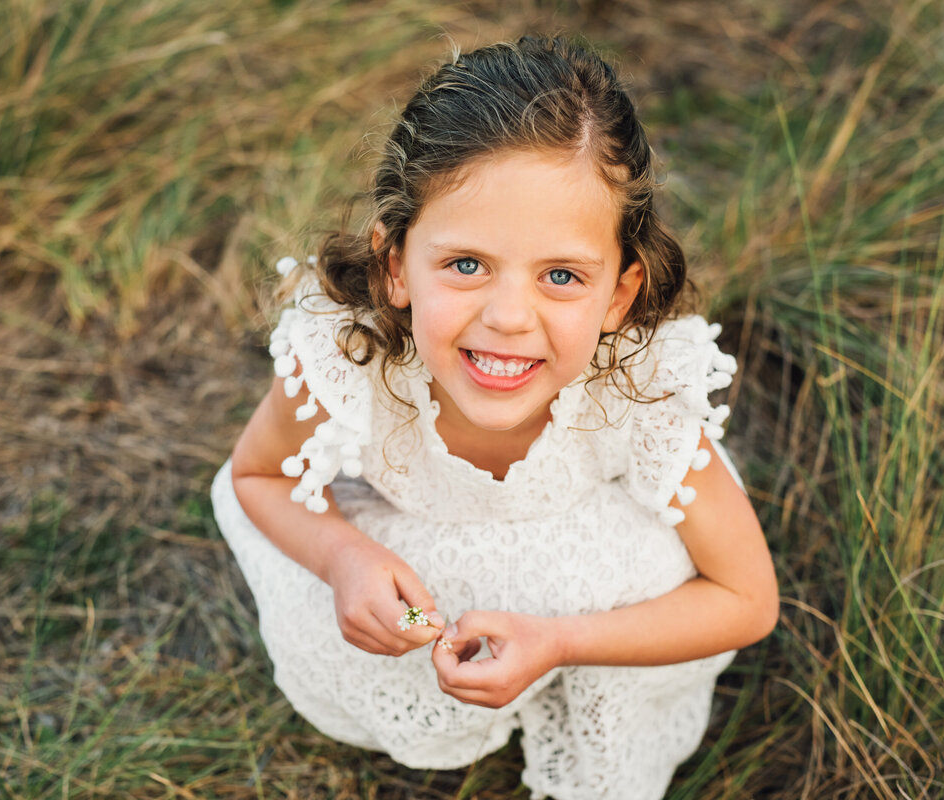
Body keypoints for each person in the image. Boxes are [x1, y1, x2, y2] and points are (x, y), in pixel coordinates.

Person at [211, 35, 778, 800]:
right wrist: (341, 556)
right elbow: (255, 475)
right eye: (467, 265)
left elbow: (747, 599)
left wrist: (561, 642)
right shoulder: (350, 353)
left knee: (655, 565)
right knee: (332, 585)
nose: (510, 317)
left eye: (562, 276)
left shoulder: (638, 394)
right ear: (395, 265)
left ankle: (566, 685)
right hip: (415, 564)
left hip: (588, 593)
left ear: (618, 294)